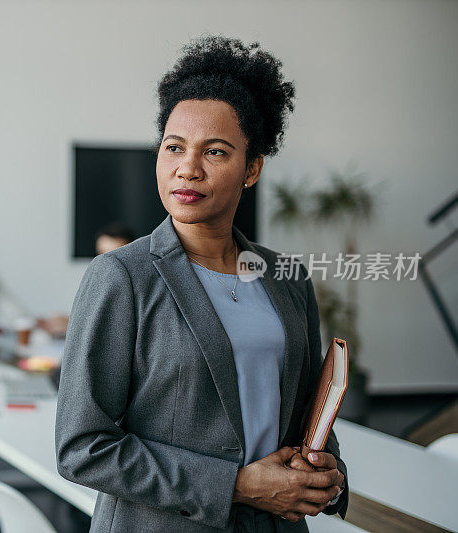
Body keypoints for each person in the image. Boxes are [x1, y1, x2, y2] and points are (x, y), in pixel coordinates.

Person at [56, 36, 348, 532]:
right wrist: (237, 483)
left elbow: (305, 413)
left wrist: (326, 471)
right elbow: (83, 448)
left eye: (215, 151)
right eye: (174, 147)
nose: (187, 168)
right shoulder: (122, 277)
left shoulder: (287, 277)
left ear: (252, 169)